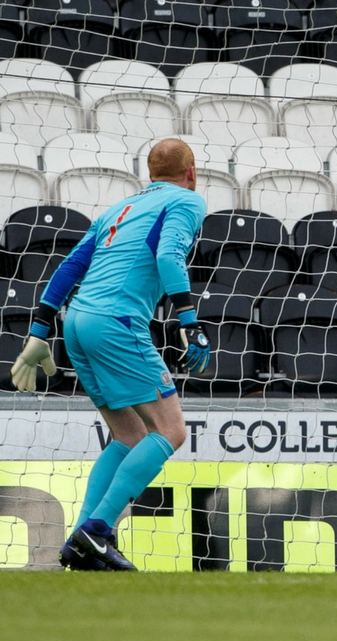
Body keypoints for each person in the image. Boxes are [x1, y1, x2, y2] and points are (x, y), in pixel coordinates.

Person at [9, 139, 210, 571]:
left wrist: (41, 328)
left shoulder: (118, 210)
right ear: (191, 172)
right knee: (171, 430)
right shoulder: (188, 201)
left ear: (149, 174)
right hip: (117, 322)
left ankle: (81, 543)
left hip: (78, 322)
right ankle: (97, 530)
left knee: (129, 435)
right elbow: (169, 254)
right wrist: (190, 322)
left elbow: (70, 266)